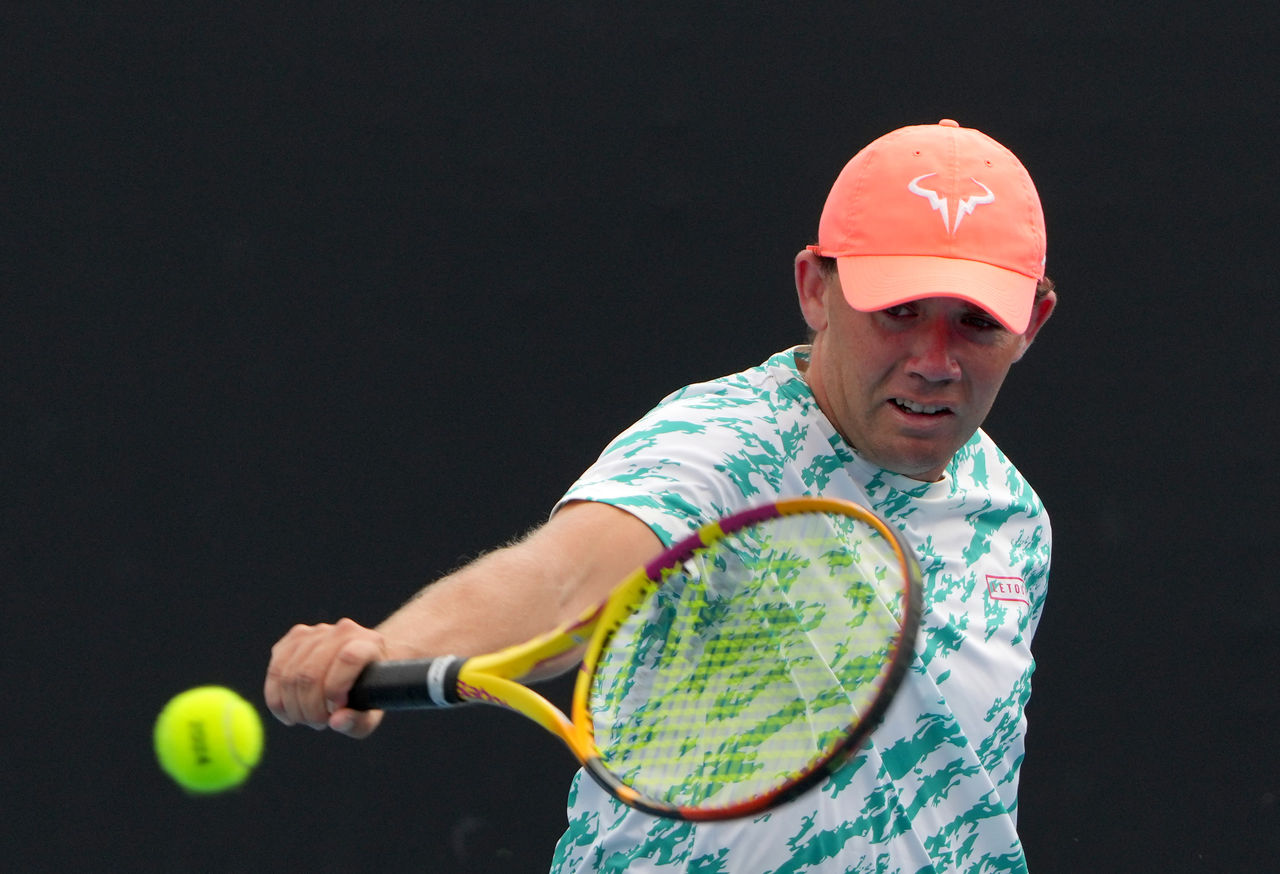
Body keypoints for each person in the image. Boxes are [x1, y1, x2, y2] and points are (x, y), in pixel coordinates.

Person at [265, 118, 1058, 872]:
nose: (935, 358)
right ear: (816, 290)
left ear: (1032, 325)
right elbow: (563, 579)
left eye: (976, 324)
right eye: (899, 311)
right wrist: (391, 650)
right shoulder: (719, 451)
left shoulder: (1012, 516)